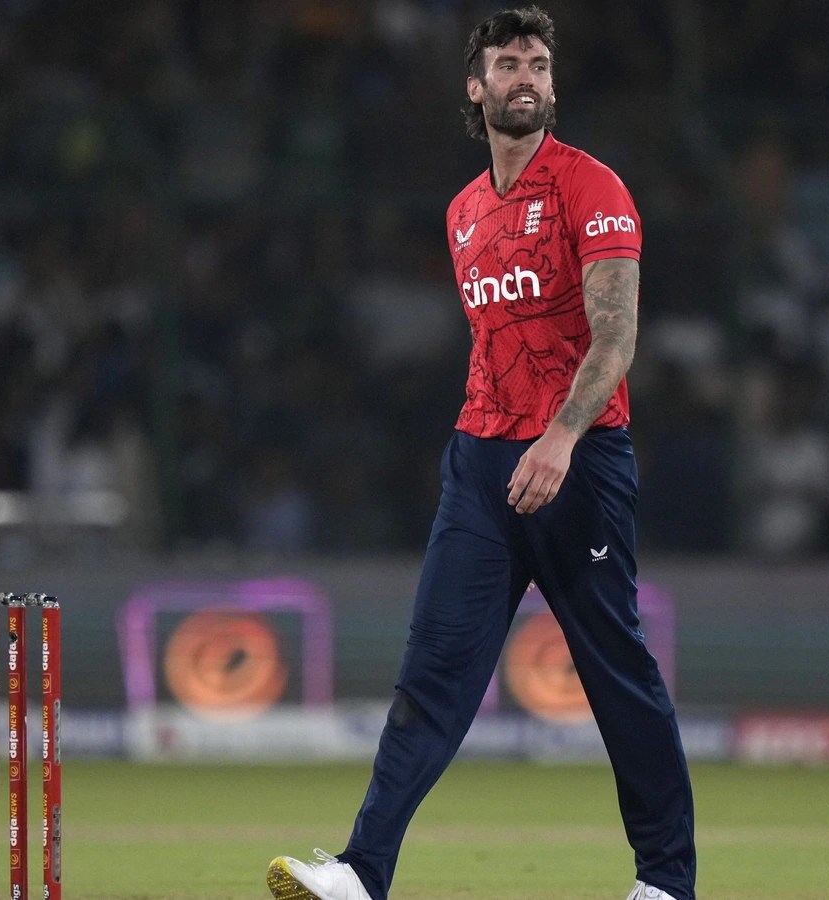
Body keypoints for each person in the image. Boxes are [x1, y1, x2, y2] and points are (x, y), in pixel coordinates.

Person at [266, 7, 697, 900]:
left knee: (616, 675)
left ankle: (665, 883)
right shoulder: (463, 212)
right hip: (480, 466)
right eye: (507, 63)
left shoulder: (591, 187)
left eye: (538, 62)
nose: (525, 76)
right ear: (477, 87)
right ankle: (360, 874)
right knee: (432, 674)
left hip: (578, 463)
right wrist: (488, 447)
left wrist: (561, 437)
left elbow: (616, 337)